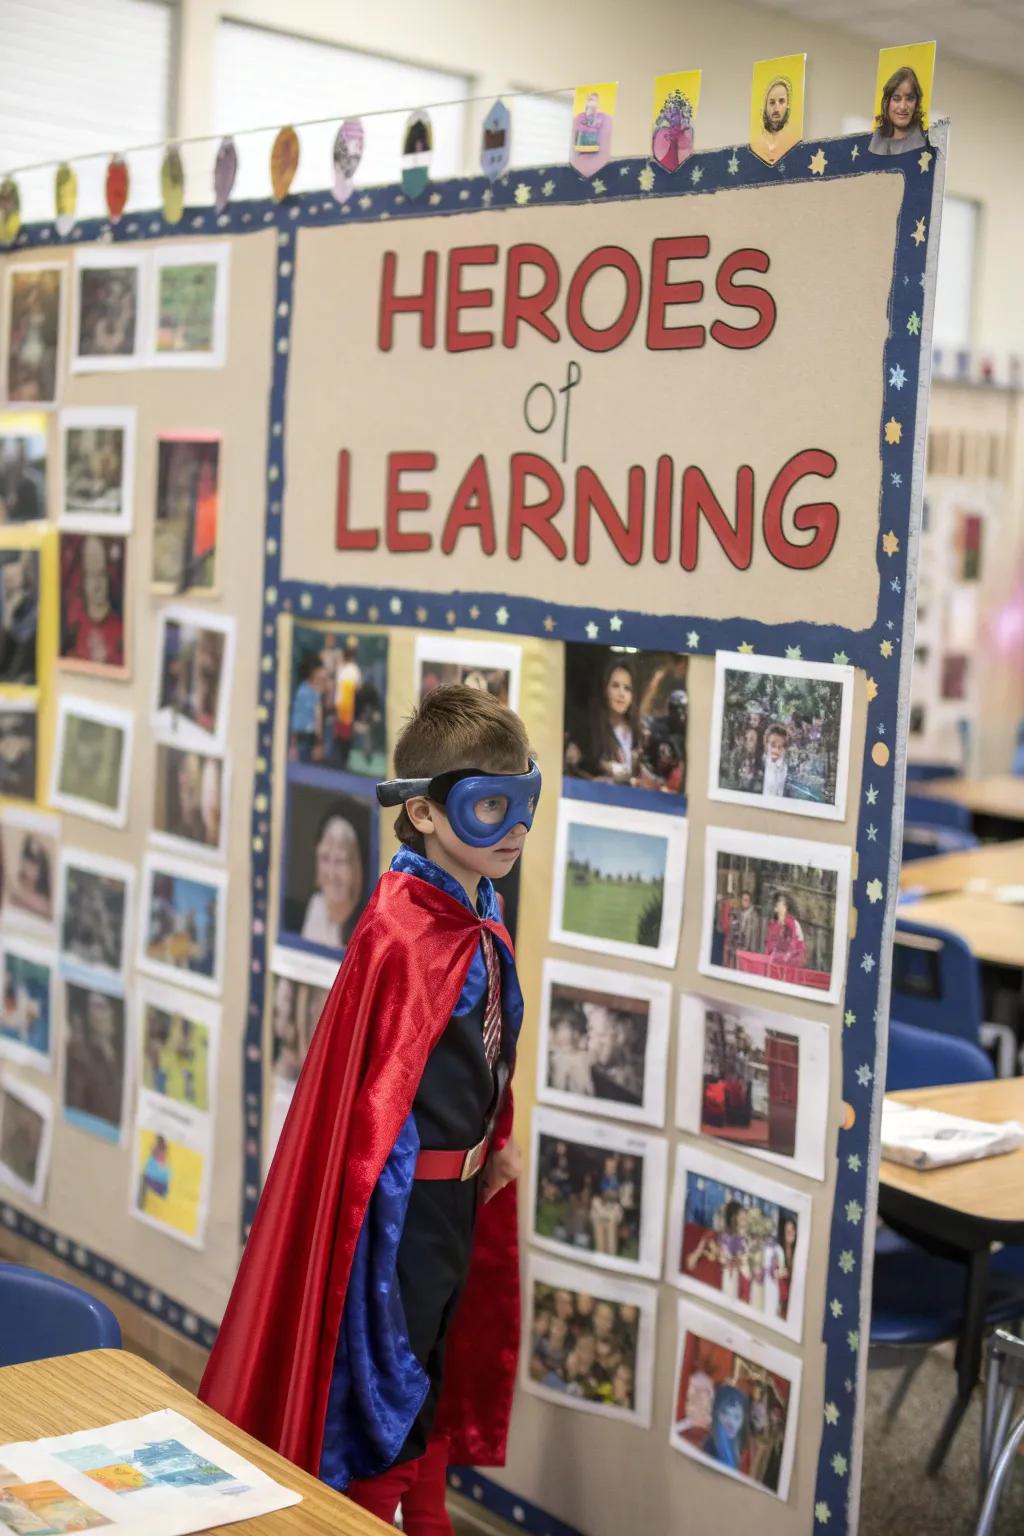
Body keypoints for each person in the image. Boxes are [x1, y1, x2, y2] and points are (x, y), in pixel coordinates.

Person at [200, 685, 541, 1535]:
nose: (515, 829)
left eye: (526, 801)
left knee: (433, 1369)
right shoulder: (404, 930)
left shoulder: (478, 907)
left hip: (457, 1196)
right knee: (389, 1389)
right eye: (490, 806)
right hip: (404, 1212)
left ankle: (426, 1519)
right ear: (422, 812)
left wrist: (494, 1138)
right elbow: (373, 1105)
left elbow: (476, 1053)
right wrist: (392, 1211)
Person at [300, 810, 365, 950]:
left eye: (341, 861)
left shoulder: (368, 922)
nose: (331, 874)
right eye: (325, 858)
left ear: (357, 868)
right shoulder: (317, 905)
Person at [565, 659, 637, 784]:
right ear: (605, 689)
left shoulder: (639, 733)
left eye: (627, 688)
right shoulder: (590, 731)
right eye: (615, 686)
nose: (621, 693)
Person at [65, 535, 123, 668]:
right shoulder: (74, 624)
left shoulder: (120, 630)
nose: (97, 585)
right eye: (91, 576)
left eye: (101, 575)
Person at [869, 66, 927, 157]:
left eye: (910, 99)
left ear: (916, 104)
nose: (903, 107)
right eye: (896, 99)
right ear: (887, 102)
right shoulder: (876, 138)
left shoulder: (926, 145)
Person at [703, 1382, 749, 1472]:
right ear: (716, 1414)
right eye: (724, 1413)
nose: (731, 1422)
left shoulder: (738, 1445)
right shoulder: (711, 1447)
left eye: (737, 1417)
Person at [331, 636, 362, 769]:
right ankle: (339, 759)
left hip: (347, 707)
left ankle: (342, 760)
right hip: (342, 706)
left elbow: (357, 688)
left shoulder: (352, 669)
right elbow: (356, 687)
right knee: (340, 734)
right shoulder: (345, 669)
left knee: (344, 734)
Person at [289, 654, 325, 763]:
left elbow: (296, 714)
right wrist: (319, 740)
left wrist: (293, 742)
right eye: (319, 670)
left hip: (298, 733)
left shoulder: (301, 689)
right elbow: (318, 716)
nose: (321, 674)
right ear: (313, 672)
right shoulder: (314, 692)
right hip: (308, 735)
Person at [763, 891, 807, 970]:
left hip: (790, 968)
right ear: (775, 908)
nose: (782, 905)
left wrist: (789, 958)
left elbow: (800, 948)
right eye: (780, 902)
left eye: (784, 903)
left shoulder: (795, 924)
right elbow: (768, 947)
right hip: (773, 967)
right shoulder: (772, 926)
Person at [11, 833, 51, 919]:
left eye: (35, 863)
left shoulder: (44, 904)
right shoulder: (17, 891)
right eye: (27, 860)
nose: (30, 867)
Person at [761, 723, 790, 799]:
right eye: (773, 745)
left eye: (780, 747)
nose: (776, 750)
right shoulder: (759, 765)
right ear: (766, 744)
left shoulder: (788, 770)